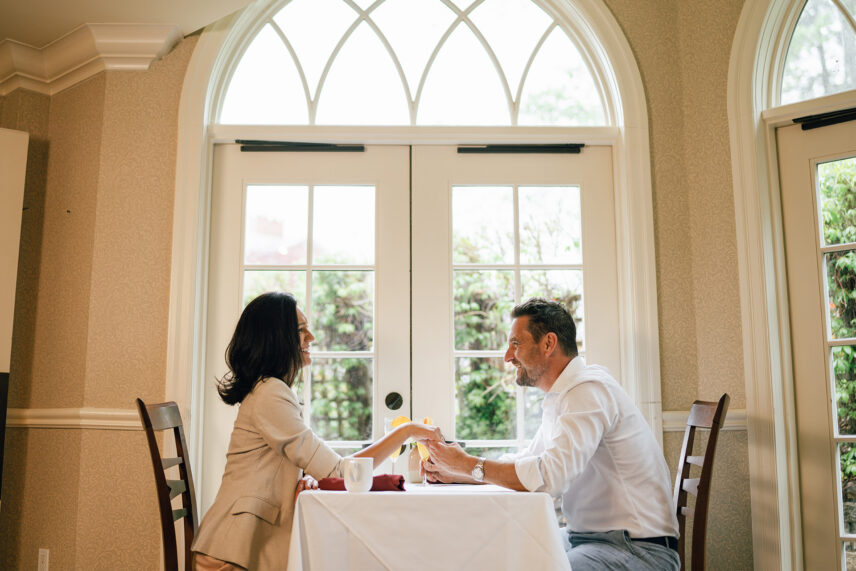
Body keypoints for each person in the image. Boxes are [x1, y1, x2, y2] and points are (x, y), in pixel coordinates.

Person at [423, 297, 679, 571]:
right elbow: (527, 463)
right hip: (590, 541)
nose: (508, 356)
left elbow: (550, 476)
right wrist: (459, 472)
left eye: (516, 344)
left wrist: (466, 465)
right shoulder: (562, 398)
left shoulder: (588, 391)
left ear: (548, 343)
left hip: (638, 550)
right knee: (499, 553)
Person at [192, 291, 441, 570]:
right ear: (276, 338)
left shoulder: (270, 390)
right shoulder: (271, 394)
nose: (311, 337)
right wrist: (406, 431)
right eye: (301, 330)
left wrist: (305, 476)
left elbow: (299, 465)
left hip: (242, 548)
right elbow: (340, 472)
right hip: (232, 557)